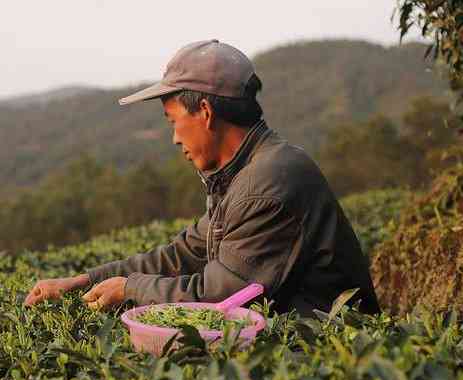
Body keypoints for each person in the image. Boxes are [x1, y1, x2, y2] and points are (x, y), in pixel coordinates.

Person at [24, 39, 381, 316]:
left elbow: (221, 295)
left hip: (332, 349)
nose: (175, 137)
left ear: (206, 112)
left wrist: (131, 289)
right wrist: (83, 281)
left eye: (173, 121)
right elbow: (182, 255)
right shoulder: (245, 171)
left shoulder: (266, 183)